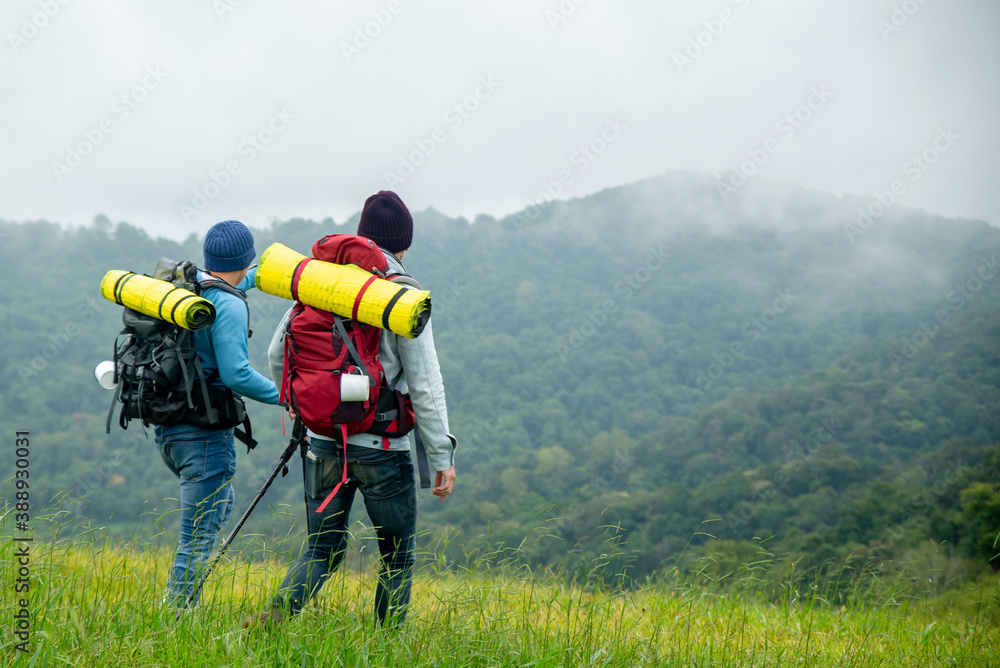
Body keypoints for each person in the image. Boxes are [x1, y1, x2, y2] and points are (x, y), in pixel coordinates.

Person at [250, 190, 456, 628]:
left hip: (323, 442)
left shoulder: (322, 284)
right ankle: (385, 649)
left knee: (320, 550)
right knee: (397, 559)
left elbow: (275, 352)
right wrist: (441, 457)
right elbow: (425, 382)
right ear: (403, 243)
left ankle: (270, 624)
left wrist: (299, 406)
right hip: (384, 445)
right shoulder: (402, 294)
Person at [155, 219, 281, 611]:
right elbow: (236, 374)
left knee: (217, 507)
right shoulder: (226, 306)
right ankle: (175, 621)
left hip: (170, 428)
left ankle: (176, 613)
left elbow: (226, 288)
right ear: (247, 257)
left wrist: (253, 279)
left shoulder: (190, 290)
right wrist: (287, 396)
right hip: (205, 436)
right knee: (197, 538)